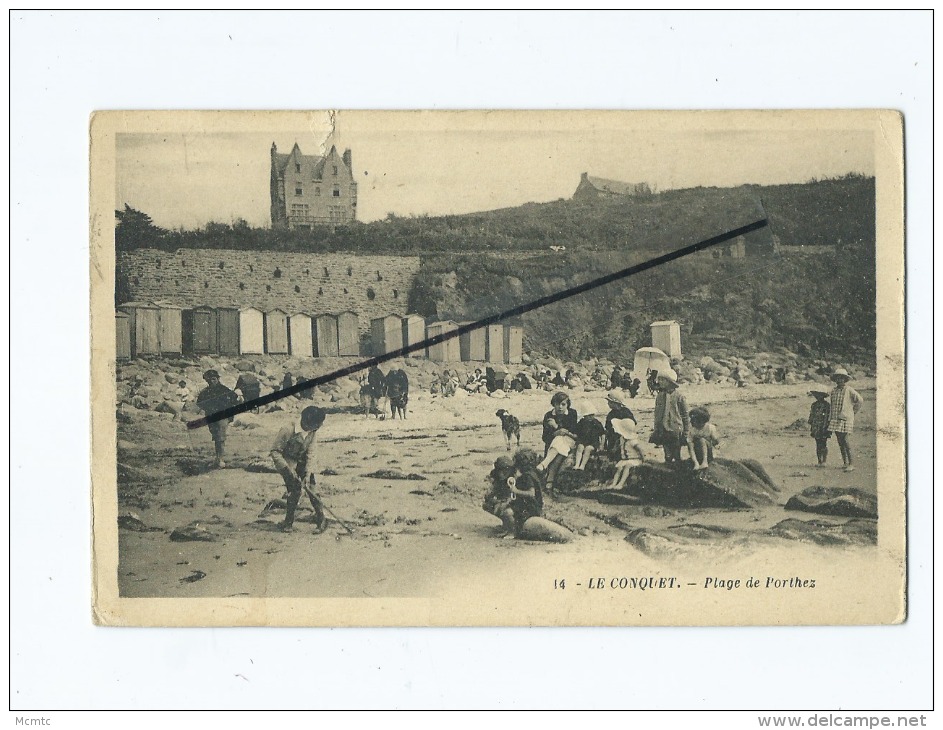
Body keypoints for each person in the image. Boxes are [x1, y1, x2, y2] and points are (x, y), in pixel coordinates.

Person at [270, 406, 327, 532]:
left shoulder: (313, 432)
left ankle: (321, 519)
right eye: (317, 425)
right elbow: (275, 452)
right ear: (307, 422)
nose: (318, 427)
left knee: (312, 488)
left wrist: (307, 473)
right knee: (294, 490)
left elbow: (311, 453)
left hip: (303, 461)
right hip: (287, 462)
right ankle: (288, 522)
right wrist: (288, 470)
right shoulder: (287, 430)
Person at [196, 370, 239, 468]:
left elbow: (235, 400)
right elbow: (199, 403)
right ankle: (218, 458)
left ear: (218, 379)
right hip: (211, 416)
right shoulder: (205, 392)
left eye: (213, 379)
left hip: (222, 416)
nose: (211, 382)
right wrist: (207, 408)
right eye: (209, 380)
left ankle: (221, 460)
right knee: (216, 437)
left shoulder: (224, 390)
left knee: (220, 437)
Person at [539, 391, 578, 494]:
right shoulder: (548, 415)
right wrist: (556, 433)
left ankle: (545, 466)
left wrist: (556, 427)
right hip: (553, 445)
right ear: (554, 404)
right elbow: (544, 437)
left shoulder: (572, 413)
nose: (560, 407)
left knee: (560, 440)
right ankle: (550, 482)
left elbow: (573, 431)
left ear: (567, 405)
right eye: (558, 404)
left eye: (563, 404)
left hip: (569, 441)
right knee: (559, 446)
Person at [828, 367, 863, 472]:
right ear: (835, 380)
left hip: (846, 419)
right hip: (835, 419)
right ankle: (845, 462)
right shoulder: (833, 391)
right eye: (838, 378)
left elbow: (860, 400)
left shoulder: (849, 390)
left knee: (846, 441)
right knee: (840, 441)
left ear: (845, 379)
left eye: (842, 378)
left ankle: (852, 464)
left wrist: (853, 412)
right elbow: (832, 405)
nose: (839, 380)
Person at [651, 369, 689, 464]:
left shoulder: (679, 397)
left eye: (662, 380)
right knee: (667, 454)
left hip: (676, 429)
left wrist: (686, 432)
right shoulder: (659, 396)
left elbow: (685, 416)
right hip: (663, 429)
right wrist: (656, 429)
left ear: (670, 382)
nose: (659, 382)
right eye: (659, 379)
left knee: (676, 454)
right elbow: (657, 414)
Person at [609, 417, 646, 489]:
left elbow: (640, 450)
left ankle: (621, 483)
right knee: (619, 468)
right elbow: (618, 446)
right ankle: (614, 483)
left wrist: (643, 459)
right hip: (625, 460)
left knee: (627, 467)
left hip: (634, 459)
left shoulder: (633, 441)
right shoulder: (621, 439)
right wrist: (614, 449)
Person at [572, 402, 606, 471]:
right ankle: (577, 464)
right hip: (583, 440)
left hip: (593, 442)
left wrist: (602, 444)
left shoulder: (596, 423)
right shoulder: (582, 422)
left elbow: (602, 434)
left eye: (592, 415)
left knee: (588, 449)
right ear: (584, 416)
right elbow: (576, 432)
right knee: (580, 447)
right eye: (588, 415)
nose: (591, 417)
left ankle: (582, 465)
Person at [604, 391, 637, 460]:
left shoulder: (625, 412)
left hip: (624, 436)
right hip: (613, 436)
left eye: (609, 402)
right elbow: (607, 427)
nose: (608, 404)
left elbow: (632, 423)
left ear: (615, 403)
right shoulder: (611, 414)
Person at [807, 387, 832, 468]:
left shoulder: (827, 405)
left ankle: (824, 461)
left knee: (824, 443)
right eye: (817, 395)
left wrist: (827, 426)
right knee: (818, 444)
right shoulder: (814, 405)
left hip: (824, 427)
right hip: (816, 426)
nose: (817, 397)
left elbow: (828, 417)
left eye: (819, 395)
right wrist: (811, 424)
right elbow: (811, 415)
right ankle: (819, 461)